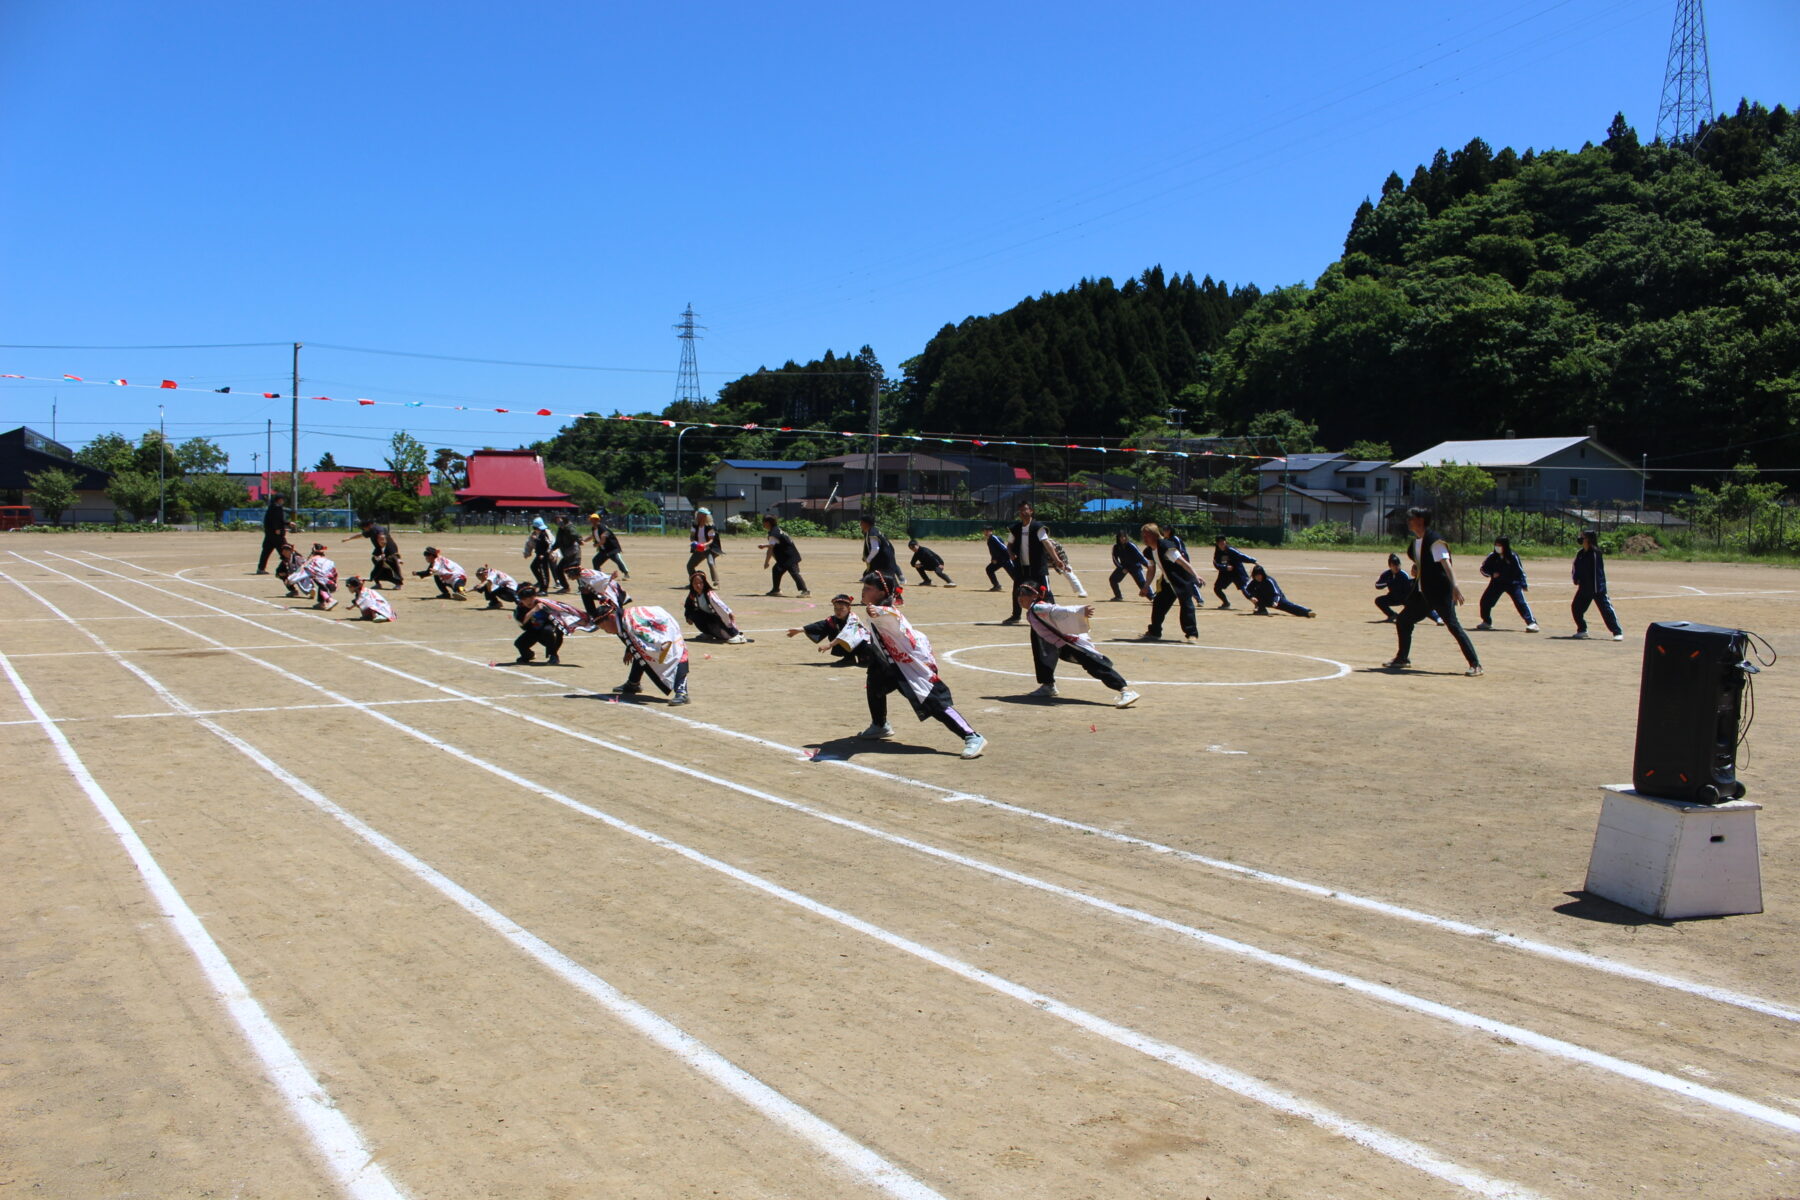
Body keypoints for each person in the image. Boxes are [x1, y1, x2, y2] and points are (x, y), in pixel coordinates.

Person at [856, 571, 984, 758]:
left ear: (882, 594)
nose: (863, 591)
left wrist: (877, 611)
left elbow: (890, 614)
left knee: (930, 699)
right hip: (889, 659)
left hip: (910, 662)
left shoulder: (885, 611)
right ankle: (880, 725)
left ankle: (972, 736)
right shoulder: (877, 608)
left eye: (868, 589)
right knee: (874, 684)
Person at [1388, 507, 1482, 676]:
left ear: (1421, 521)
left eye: (1412, 518)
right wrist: (1418, 568)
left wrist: (1455, 586)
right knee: (1403, 620)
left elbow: (1446, 565)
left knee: (1453, 626)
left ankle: (1475, 664)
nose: (1408, 521)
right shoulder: (1417, 541)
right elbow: (1424, 562)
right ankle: (1402, 658)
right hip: (1424, 593)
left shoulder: (1434, 541)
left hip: (1439, 592)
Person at [1017, 580, 1140, 707]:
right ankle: (1048, 686)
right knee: (1044, 658)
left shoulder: (1038, 607)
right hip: (1060, 644)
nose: (1020, 598)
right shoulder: (1032, 610)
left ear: (1035, 596)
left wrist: (1079, 611)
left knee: (1094, 665)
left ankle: (1126, 691)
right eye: (1019, 594)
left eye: (1024, 594)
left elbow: (1057, 610)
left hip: (1069, 643)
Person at [590, 590, 690, 705]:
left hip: (665, 629)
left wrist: (660, 652)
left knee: (676, 654)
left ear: (611, 617)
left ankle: (682, 692)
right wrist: (631, 649)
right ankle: (633, 683)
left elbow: (652, 641)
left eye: (604, 627)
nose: (606, 631)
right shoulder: (622, 619)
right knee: (641, 651)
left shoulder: (631, 624)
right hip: (658, 625)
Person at [1001, 501, 1065, 624]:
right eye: (1021, 511)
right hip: (1021, 567)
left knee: (1045, 591)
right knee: (1017, 591)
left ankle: (1053, 615)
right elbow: (1009, 545)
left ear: (1031, 511)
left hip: (1037, 566)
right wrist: (1010, 553)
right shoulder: (1015, 528)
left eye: (1026, 510)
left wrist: (1057, 559)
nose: (1023, 513)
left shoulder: (1038, 527)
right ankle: (1016, 615)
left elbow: (1047, 543)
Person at [1140, 523, 1201, 642]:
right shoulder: (1149, 551)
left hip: (1181, 580)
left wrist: (1196, 575)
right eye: (1143, 536)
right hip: (1167, 582)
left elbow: (1183, 562)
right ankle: (1155, 632)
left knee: (1186, 606)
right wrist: (1146, 586)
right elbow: (1151, 569)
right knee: (1158, 605)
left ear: (1154, 535)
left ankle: (1191, 634)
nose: (1144, 538)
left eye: (1146, 535)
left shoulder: (1165, 546)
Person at [512, 586, 589, 666]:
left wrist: (580, 620)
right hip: (534, 630)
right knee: (519, 644)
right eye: (525, 600)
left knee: (548, 631)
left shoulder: (546, 604)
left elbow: (564, 612)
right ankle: (528, 655)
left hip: (550, 630)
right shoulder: (520, 609)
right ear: (521, 600)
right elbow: (521, 622)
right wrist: (533, 610)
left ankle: (553, 655)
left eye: (531, 598)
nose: (529, 602)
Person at [786, 593, 868, 666]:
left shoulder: (853, 619)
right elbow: (820, 625)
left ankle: (864, 657)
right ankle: (849, 658)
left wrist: (829, 645)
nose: (838, 611)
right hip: (853, 645)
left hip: (865, 646)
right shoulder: (834, 619)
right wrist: (800, 630)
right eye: (836, 608)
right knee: (832, 628)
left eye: (841, 609)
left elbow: (845, 634)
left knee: (866, 661)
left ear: (849, 609)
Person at [1476, 536, 1538, 632]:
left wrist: (1523, 584)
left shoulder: (1513, 556)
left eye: (1500, 545)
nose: (1497, 547)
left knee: (1520, 603)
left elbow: (1520, 571)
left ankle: (1532, 623)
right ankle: (1487, 622)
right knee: (1485, 602)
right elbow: (1483, 569)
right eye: (1496, 545)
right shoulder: (1492, 556)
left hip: (1513, 584)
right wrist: (1492, 574)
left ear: (1505, 546)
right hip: (1496, 583)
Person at [1571, 530, 1624, 641]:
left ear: (1589, 539)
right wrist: (1576, 579)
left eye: (1583, 537)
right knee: (1576, 608)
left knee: (1606, 610)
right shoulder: (1580, 553)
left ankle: (1617, 632)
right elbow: (1575, 567)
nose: (1581, 538)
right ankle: (1582, 629)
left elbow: (1597, 572)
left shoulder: (1595, 553)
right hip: (1584, 587)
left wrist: (1596, 588)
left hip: (1597, 588)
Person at [683, 571, 750, 643]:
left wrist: (729, 612)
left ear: (704, 583)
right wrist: (688, 617)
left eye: (700, 583)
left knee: (723, 624)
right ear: (692, 584)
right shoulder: (692, 595)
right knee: (695, 614)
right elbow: (688, 606)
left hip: (718, 618)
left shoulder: (709, 594)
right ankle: (708, 634)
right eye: (695, 583)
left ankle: (737, 635)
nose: (698, 585)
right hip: (709, 618)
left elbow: (720, 605)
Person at [760, 515, 810, 596]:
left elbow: (770, 549)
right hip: (786, 556)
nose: (763, 524)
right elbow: (774, 544)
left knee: (794, 572)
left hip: (789, 557)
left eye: (764, 522)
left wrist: (766, 562)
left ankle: (805, 591)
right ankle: (776, 590)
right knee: (776, 570)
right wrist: (765, 546)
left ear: (768, 523)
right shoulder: (776, 530)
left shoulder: (773, 533)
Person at [1245, 564, 1315, 617]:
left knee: (1289, 606)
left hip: (1277, 599)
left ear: (1263, 574)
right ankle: (1261, 610)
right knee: (1256, 594)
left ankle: (1307, 612)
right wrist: (1251, 597)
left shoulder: (1269, 581)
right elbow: (1246, 590)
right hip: (1264, 599)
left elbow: (1277, 593)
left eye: (1260, 575)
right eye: (1256, 575)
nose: (1258, 577)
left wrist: (1275, 601)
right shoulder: (1253, 581)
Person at [1211, 537, 1256, 609]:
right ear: (1217, 544)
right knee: (1217, 588)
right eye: (1220, 542)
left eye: (1223, 541)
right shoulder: (1218, 552)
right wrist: (1225, 567)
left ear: (1226, 542)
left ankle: (1256, 603)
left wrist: (1253, 561)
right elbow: (1216, 564)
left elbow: (1241, 556)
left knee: (1244, 588)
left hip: (1237, 572)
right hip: (1225, 573)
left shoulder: (1231, 550)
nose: (1222, 543)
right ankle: (1226, 603)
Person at [1108, 530, 1150, 601]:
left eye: (1124, 537)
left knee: (1141, 583)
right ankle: (1118, 596)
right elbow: (1115, 559)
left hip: (1135, 566)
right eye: (1121, 537)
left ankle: (1152, 597)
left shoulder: (1131, 545)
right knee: (1113, 579)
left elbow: (1140, 556)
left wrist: (1148, 566)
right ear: (1118, 538)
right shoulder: (1116, 547)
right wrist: (1121, 568)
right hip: (1124, 566)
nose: (1123, 538)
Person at [686, 508, 721, 583]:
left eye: (701, 514)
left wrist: (704, 545)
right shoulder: (695, 525)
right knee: (689, 566)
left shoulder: (710, 527)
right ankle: (695, 582)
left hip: (708, 549)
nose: (698, 516)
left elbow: (711, 540)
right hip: (698, 549)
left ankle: (715, 581)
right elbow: (692, 537)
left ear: (705, 516)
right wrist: (695, 543)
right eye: (698, 514)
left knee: (711, 562)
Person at [255, 496, 289, 574]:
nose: (283, 501)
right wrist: (276, 529)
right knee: (285, 551)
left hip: (269, 534)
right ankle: (286, 568)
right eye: (282, 499)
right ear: (279, 500)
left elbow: (278, 520)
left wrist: (288, 523)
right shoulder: (276, 508)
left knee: (266, 552)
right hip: (276, 534)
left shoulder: (271, 508)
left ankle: (261, 568)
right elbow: (275, 520)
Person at [860, 515, 900, 581]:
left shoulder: (872, 532)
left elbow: (875, 548)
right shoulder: (873, 530)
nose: (860, 524)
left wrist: (868, 559)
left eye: (862, 522)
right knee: (883, 577)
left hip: (884, 557)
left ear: (866, 523)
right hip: (885, 555)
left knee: (888, 578)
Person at [301, 543, 339, 610]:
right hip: (332, 583)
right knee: (320, 584)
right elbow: (335, 573)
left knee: (318, 580)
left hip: (326, 584)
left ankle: (330, 600)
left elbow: (305, 567)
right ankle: (322, 603)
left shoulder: (314, 559)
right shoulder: (326, 560)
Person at [551, 515, 583, 593]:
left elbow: (575, 535)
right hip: (567, 554)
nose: (558, 522)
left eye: (560, 521)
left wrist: (579, 539)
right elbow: (558, 542)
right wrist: (551, 549)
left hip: (575, 553)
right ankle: (566, 587)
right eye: (557, 521)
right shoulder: (560, 530)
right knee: (559, 569)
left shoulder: (569, 527)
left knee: (575, 570)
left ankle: (582, 587)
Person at [524, 517, 555, 592]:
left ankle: (544, 589)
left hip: (543, 556)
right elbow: (532, 543)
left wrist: (545, 554)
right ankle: (541, 583)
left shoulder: (544, 534)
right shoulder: (539, 534)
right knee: (533, 567)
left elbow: (548, 545)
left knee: (543, 571)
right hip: (539, 555)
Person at [982, 526, 1016, 592]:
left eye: (987, 530)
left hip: (1005, 559)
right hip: (998, 560)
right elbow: (993, 551)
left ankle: (1023, 587)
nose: (985, 532)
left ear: (991, 531)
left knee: (1014, 575)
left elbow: (1004, 548)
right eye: (984, 530)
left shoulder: (994, 538)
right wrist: (993, 558)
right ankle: (997, 586)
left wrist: (1008, 557)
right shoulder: (989, 539)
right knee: (989, 569)